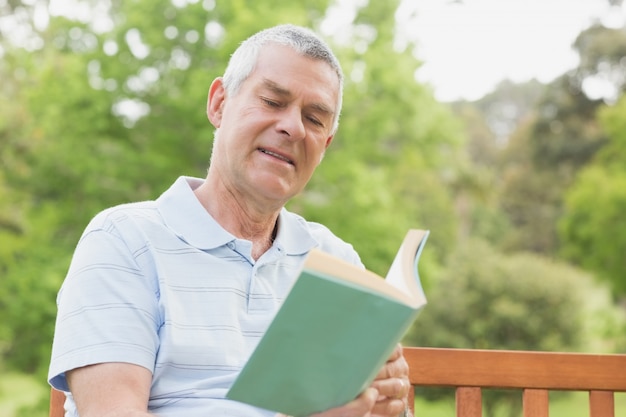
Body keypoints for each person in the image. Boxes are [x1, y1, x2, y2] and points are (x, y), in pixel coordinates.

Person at [48, 24, 412, 417]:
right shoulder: (123, 240)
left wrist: (386, 403)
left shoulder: (336, 261)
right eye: (273, 101)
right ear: (219, 103)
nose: (292, 127)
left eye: (314, 118)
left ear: (324, 145)